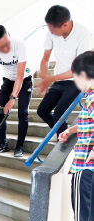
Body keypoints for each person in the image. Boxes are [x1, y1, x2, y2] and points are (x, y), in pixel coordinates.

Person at [57, 52, 94, 221]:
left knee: (81, 219)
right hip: (85, 169)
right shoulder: (89, 100)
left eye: (75, 77)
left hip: (85, 170)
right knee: (86, 220)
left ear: (83, 76)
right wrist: (70, 131)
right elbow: (87, 124)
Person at [37, 5, 91, 138]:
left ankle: (63, 141)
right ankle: (64, 134)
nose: (52, 33)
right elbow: (45, 59)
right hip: (60, 81)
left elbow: (79, 69)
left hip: (77, 81)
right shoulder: (51, 32)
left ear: (65, 25)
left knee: (59, 113)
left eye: (53, 30)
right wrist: (45, 78)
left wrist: (51, 78)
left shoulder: (83, 34)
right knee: (42, 110)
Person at [0, 25, 33, 157]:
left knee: (22, 113)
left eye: (6, 44)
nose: (5, 49)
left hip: (24, 79)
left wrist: (12, 98)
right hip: (8, 80)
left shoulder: (19, 45)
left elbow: (20, 76)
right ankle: (3, 144)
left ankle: (19, 146)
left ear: (9, 36)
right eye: (1, 47)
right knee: (0, 110)